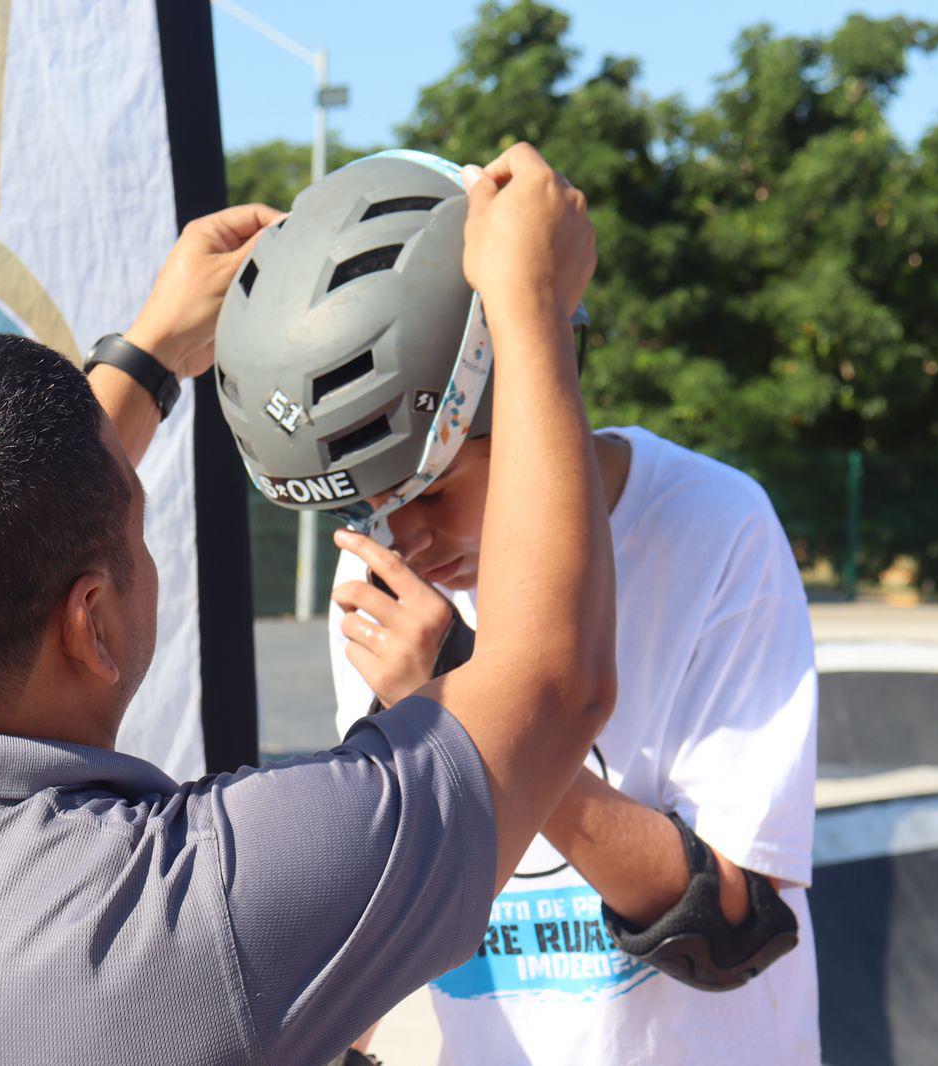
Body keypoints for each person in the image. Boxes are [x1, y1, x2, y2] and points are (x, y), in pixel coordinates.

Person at [0, 145, 613, 1066]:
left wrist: (146, 353)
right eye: (135, 527)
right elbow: (548, 682)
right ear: (90, 620)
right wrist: (526, 309)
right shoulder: (184, 912)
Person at [218, 149, 819, 1064]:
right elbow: (392, 901)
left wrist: (466, 700)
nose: (403, 538)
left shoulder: (708, 525)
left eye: (432, 489)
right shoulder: (393, 596)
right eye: (366, 505)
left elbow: (736, 927)